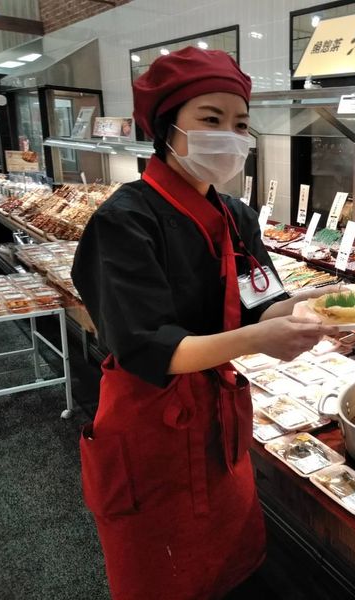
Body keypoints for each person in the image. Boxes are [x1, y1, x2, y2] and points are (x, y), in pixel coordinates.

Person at [72, 47, 338, 600]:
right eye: (210, 119)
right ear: (168, 128)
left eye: (240, 124)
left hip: (220, 428)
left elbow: (262, 303)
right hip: (149, 431)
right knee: (160, 579)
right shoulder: (124, 221)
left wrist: (317, 308)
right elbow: (150, 348)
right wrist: (261, 339)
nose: (230, 135)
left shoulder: (235, 216)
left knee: (228, 567)